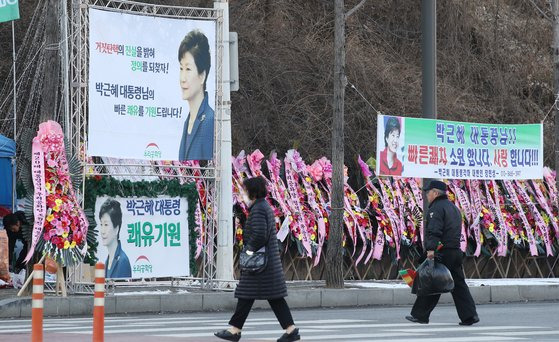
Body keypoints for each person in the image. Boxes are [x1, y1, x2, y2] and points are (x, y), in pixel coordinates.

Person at [215, 176, 300, 342]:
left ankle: (235, 330)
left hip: (261, 265)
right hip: (266, 264)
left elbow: (260, 235)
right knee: (269, 297)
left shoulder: (259, 209)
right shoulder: (262, 207)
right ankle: (290, 330)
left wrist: (248, 251)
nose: (242, 194)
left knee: (249, 295)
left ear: (252, 193)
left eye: (244, 191)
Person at [406, 180, 479, 326]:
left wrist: (431, 249)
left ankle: (420, 315)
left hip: (442, 252)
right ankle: (469, 316)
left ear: (435, 193)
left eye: (428, 192)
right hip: (455, 251)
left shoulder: (436, 208)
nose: (426, 195)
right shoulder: (453, 208)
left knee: (431, 283)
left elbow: (434, 230)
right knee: (458, 285)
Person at [177, 29, 215, 161]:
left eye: (188, 69)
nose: (182, 78)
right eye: (181, 68)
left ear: (202, 76)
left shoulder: (210, 121)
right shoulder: (187, 122)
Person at [99, 199, 131, 278]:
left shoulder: (122, 261)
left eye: (106, 225)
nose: (102, 231)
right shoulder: (108, 260)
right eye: (101, 224)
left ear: (116, 229)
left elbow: (122, 290)